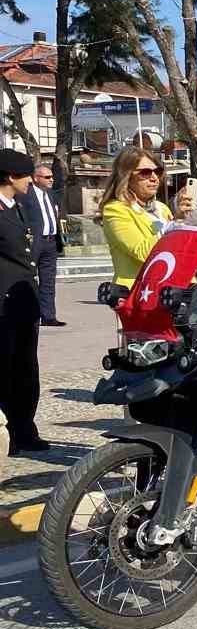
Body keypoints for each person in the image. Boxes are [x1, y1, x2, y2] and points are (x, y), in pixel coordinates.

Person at [0, 149, 45, 455]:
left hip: (24, 302)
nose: (31, 180)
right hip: (2, 303)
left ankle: (25, 430)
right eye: (26, 174)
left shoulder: (20, 206)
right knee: (4, 370)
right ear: (10, 177)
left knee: (27, 369)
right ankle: (8, 435)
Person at [99, 146, 194, 291]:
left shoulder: (162, 208)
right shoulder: (115, 210)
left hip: (172, 290)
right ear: (127, 175)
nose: (154, 178)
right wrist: (174, 223)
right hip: (139, 293)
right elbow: (142, 251)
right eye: (145, 172)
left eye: (158, 171)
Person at [24, 161, 64, 326]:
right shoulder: (26, 194)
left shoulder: (51, 195)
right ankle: (29, 315)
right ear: (35, 178)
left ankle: (48, 316)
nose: (51, 180)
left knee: (48, 281)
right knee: (29, 279)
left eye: (52, 177)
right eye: (47, 177)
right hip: (35, 241)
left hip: (50, 242)